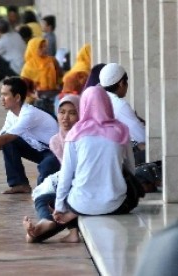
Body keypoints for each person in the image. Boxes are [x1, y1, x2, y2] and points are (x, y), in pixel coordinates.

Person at [52, 86, 137, 226]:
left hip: (80, 205)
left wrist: (60, 207)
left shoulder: (75, 133)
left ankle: (49, 227)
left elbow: (66, 175)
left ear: (83, 105)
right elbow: (131, 168)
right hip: (116, 205)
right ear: (107, 103)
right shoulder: (121, 130)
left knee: (48, 198)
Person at [0, 77, 60, 194]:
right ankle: (20, 184)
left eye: (5, 95)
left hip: (56, 153)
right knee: (9, 142)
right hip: (40, 150)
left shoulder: (29, 113)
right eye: (1, 95)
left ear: (17, 97)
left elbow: (2, 140)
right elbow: (1, 144)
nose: (1, 98)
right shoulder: (11, 114)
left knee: (45, 179)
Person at [23, 95, 80, 243]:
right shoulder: (56, 140)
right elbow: (66, 172)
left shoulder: (84, 139)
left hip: (81, 189)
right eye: (62, 112)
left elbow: (73, 174)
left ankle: (54, 223)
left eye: (72, 113)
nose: (65, 118)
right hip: (68, 186)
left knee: (44, 194)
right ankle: (44, 222)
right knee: (31, 238)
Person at [99, 63, 146, 164]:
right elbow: (142, 136)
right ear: (121, 83)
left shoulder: (101, 98)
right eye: (126, 82)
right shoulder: (119, 105)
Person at [21, 37, 62, 113]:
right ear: (33, 49)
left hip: (53, 94)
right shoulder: (28, 67)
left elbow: (60, 77)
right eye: (40, 47)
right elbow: (24, 88)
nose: (44, 49)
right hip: (36, 99)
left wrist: (60, 87)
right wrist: (34, 96)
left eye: (45, 46)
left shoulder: (52, 61)